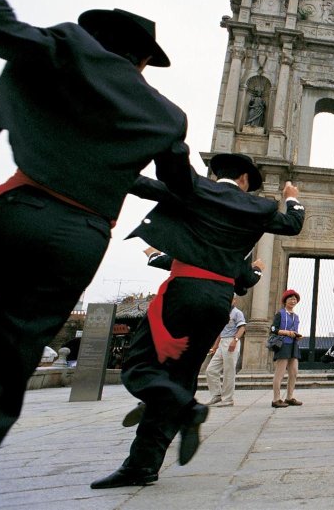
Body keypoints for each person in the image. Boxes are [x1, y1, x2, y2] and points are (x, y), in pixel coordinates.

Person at [0, 0, 191, 463]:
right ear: (144, 61)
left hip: (18, 209)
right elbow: (180, 188)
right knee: (8, 364)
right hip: (81, 238)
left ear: (95, 36)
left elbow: (2, 29)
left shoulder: (68, 49)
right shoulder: (165, 114)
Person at [90, 153, 304, 489]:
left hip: (183, 292)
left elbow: (144, 185)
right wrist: (292, 199)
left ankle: (186, 407)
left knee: (138, 366)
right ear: (246, 180)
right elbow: (291, 225)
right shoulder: (258, 208)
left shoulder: (195, 189)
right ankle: (143, 463)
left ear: (217, 173)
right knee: (181, 375)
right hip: (218, 301)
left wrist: (109, 160)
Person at [205, 294, 250, 407]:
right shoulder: (223, 313)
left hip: (231, 341)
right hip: (222, 342)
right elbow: (220, 332)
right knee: (211, 370)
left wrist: (234, 341)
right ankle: (216, 395)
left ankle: (228, 398)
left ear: (234, 300)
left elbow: (242, 327)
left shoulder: (237, 313)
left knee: (229, 371)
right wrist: (215, 346)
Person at [271, 289, 305, 408]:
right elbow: (273, 330)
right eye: (290, 298)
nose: (293, 300)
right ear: (285, 301)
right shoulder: (280, 314)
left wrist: (297, 335)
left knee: (294, 372)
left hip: (294, 345)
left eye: (295, 299)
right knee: (279, 373)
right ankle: (276, 399)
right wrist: (286, 332)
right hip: (283, 344)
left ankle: (289, 397)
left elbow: (294, 331)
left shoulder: (296, 316)